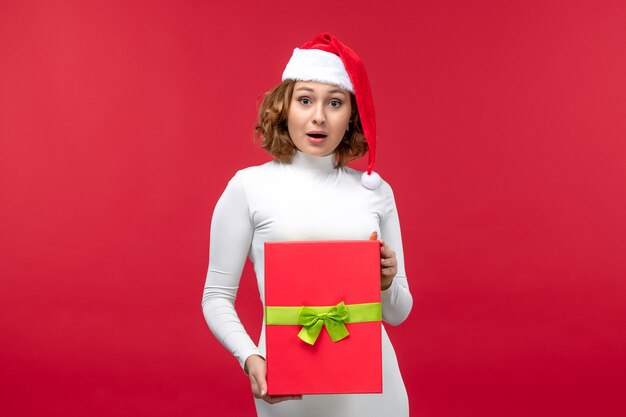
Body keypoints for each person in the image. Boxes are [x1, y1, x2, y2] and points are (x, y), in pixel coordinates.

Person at [202, 32, 413, 417]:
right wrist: (250, 357)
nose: (319, 116)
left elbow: (398, 312)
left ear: (351, 115)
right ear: (285, 108)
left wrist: (385, 281)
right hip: (287, 389)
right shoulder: (249, 187)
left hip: (373, 393)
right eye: (305, 100)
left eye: (334, 103)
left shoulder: (375, 191)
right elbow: (215, 296)